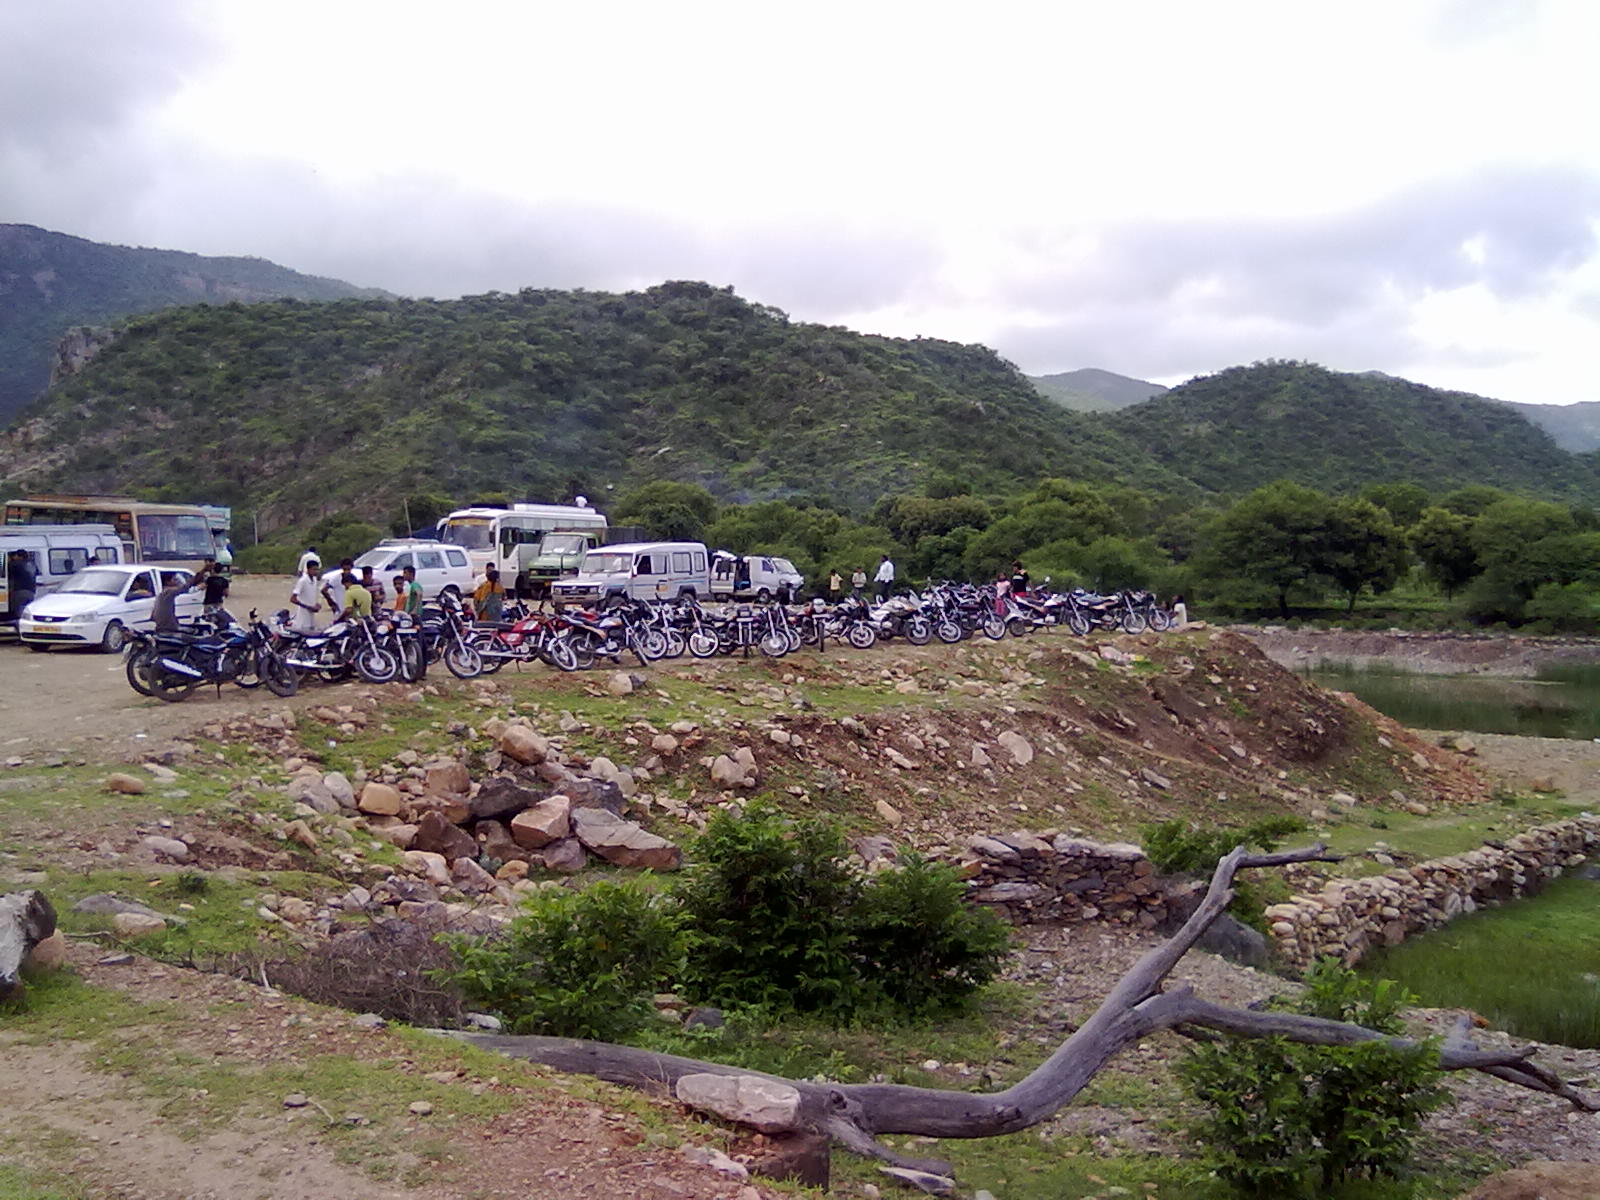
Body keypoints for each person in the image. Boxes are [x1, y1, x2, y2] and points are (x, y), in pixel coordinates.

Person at [153, 564, 211, 633]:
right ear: (168, 582)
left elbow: (153, 616)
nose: (176, 582)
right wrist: (203, 570)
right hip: (170, 628)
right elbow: (187, 586)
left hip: (162, 627)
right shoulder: (169, 592)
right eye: (174, 580)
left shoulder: (160, 595)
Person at [289, 557, 322, 633]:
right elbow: (293, 599)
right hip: (303, 615)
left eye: (317, 569)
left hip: (311, 615)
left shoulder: (314, 580)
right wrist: (308, 607)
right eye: (314, 569)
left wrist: (316, 605)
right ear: (308, 569)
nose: (316, 572)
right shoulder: (303, 581)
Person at [7, 549, 39, 620]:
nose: (14, 557)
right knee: (28, 609)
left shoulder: (14, 564)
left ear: (19, 556)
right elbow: (37, 572)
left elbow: (6, 573)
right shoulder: (32, 563)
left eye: (15, 555)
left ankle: (21, 623)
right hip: (31, 591)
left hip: (20, 591)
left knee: (19, 611)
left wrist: (9, 560)